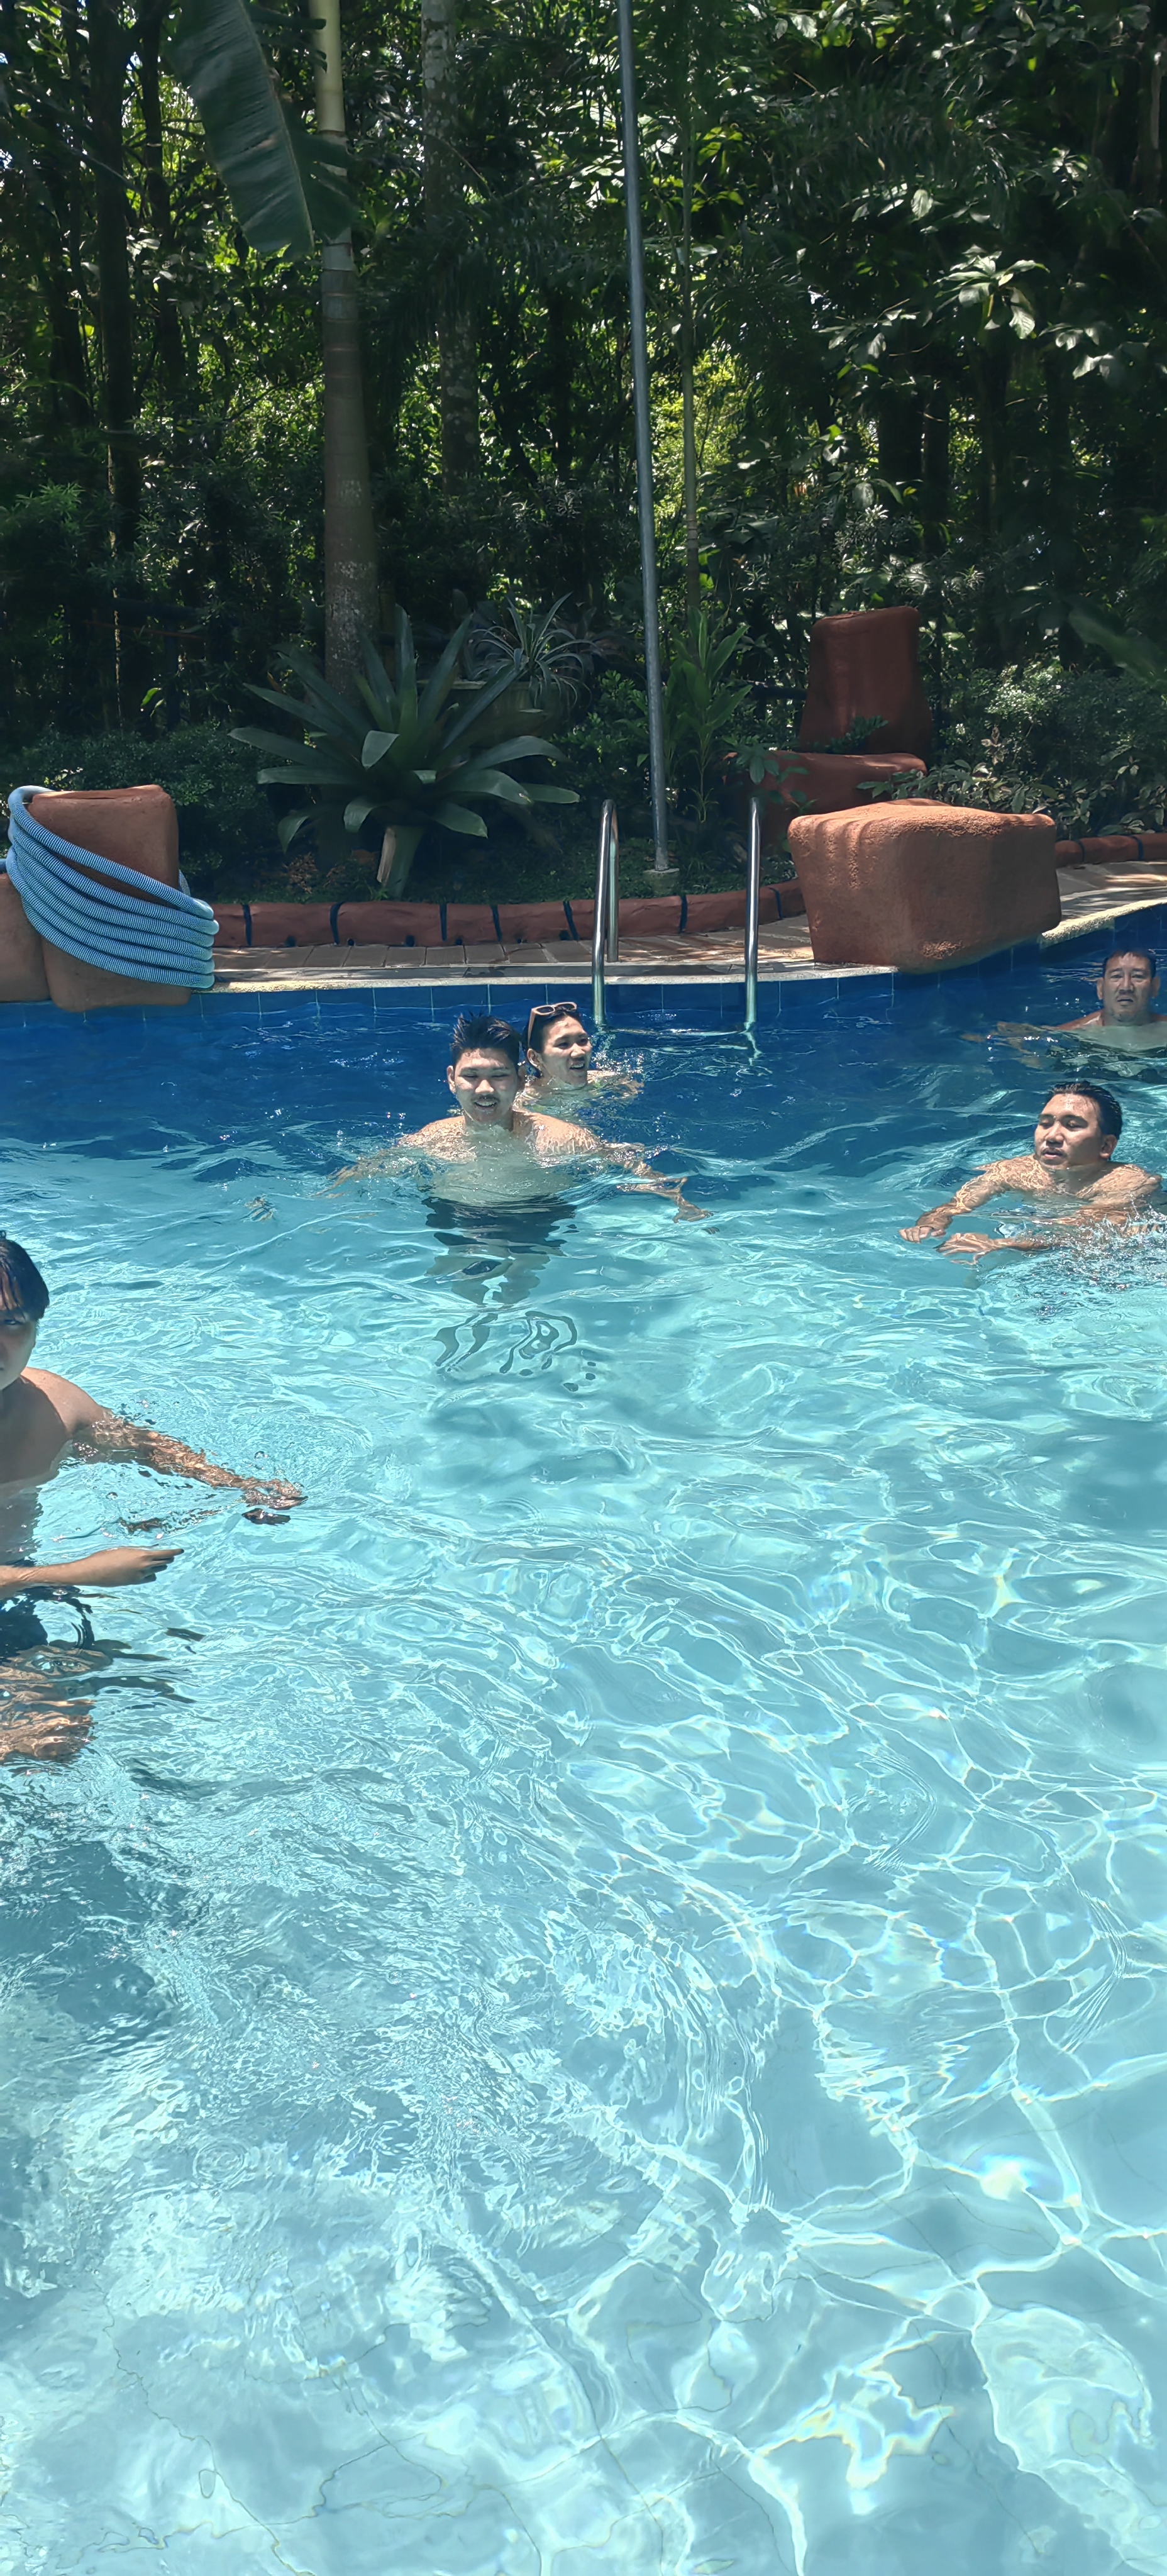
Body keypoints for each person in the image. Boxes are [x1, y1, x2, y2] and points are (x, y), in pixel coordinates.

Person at [0, 1236, 301, 1762]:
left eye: (10, 1322)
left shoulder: (55, 1406)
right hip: (25, 1582)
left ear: (38, 1325)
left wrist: (242, 1488)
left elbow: (144, 1448)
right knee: (39, 1735)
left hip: (17, 1588)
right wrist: (83, 1572)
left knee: (67, 1729)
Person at [334, 1012, 707, 1218]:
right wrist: (327, 1202)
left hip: (539, 1218)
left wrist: (680, 1203)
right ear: (451, 1080)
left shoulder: (561, 1138)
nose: (485, 1089)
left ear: (520, 1080)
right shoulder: (432, 1139)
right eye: (471, 1076)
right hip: (455, 1218)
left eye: (499, 1076)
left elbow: (627, 1165)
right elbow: (370, 1168)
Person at [899, 1082, 1160, 1262]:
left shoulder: (1129, 1183)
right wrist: (930, 1224)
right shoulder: (1014, 1171)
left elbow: (1085, 1234)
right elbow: (954, 1206)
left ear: (1106, 1146)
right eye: (1045, 1124)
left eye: (1072, 1126)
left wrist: (999, 1244)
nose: (1052, 1136)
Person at [993, 948, 1167, 1054]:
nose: (1126, 986)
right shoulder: (1073, 1034)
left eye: (1138, 976)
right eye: (1116, 977)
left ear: (1155, 987)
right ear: (1101, 988)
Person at [521, 1002, 640, 1108]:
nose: (579, 1052)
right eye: (563, 1044)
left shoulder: (607, 1082)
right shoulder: (525, 1102)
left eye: (583, 1041)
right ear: (535, 1058)